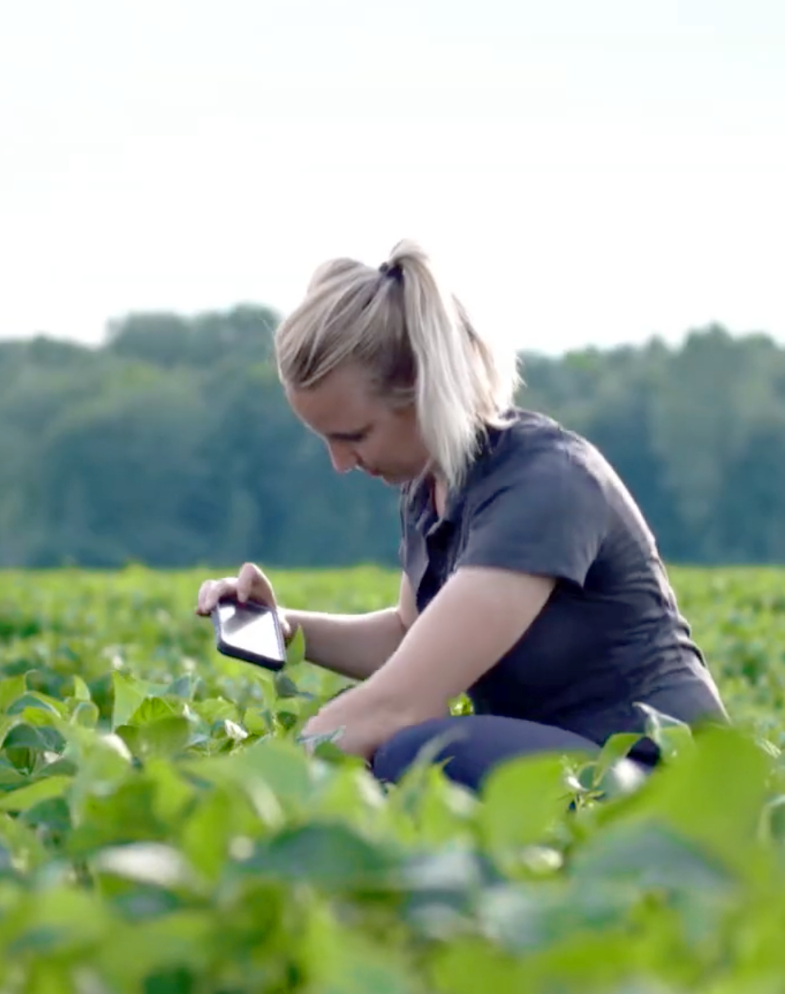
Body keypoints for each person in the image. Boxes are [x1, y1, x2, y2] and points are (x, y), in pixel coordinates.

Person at [193, 239, 728, 793]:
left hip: (660, 774)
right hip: (565, 759)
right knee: (392, 743)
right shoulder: (432, 489)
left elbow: (401, 702)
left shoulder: (548, 484)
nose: (341, 463)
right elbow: (413, 636)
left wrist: (249, 793)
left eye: (354, 436)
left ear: (424, 392)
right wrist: (285, 627)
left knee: (416, 750)